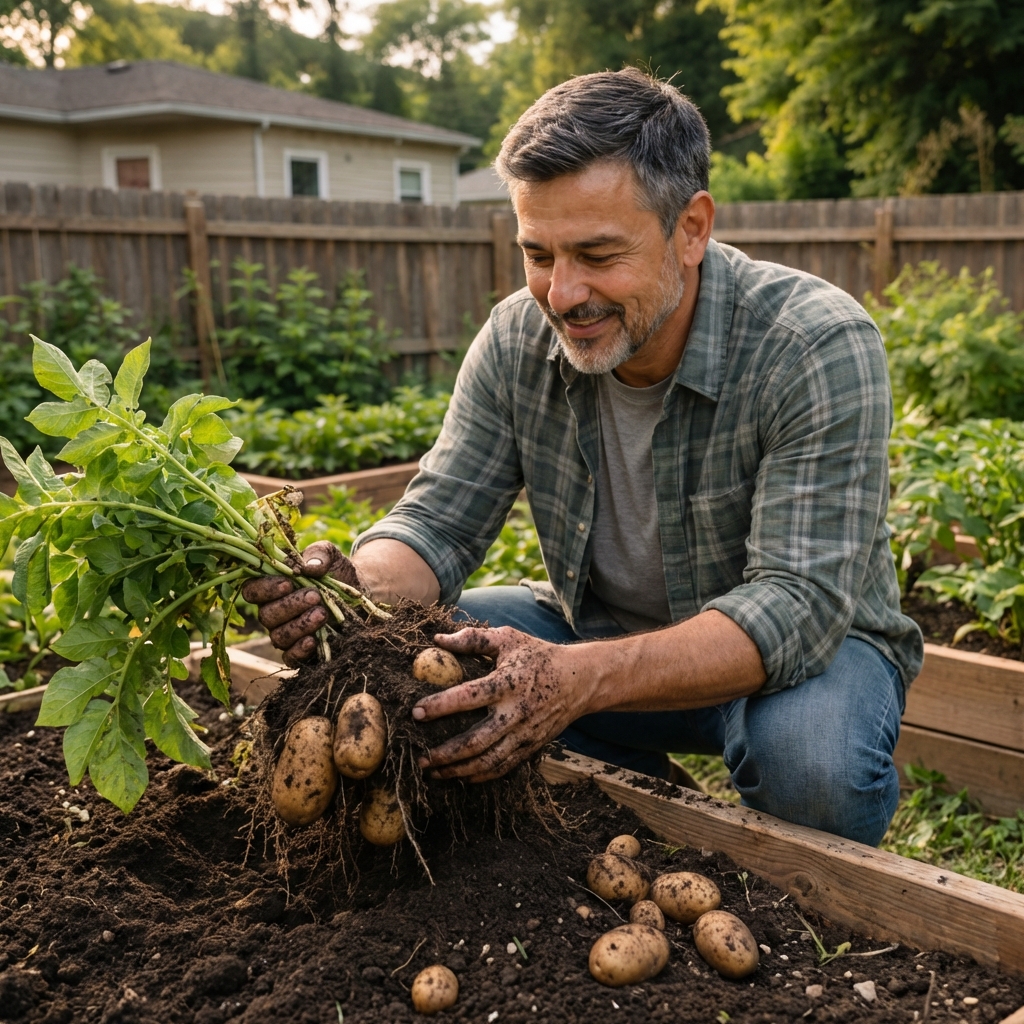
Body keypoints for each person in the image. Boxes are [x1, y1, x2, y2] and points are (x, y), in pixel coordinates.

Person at [242, 68, 923, 847]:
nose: (563, 294)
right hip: (598, 634)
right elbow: (436, 520)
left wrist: (578, 679)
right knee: (425, 662)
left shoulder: (813, 344)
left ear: (692, 228)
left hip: (800, 663)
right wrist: (354, 589)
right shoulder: (515, 339)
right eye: (539, 254)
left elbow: (796, 609)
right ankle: (649, 810)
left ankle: (830, 888)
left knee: (814, 767)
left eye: (598, 255)